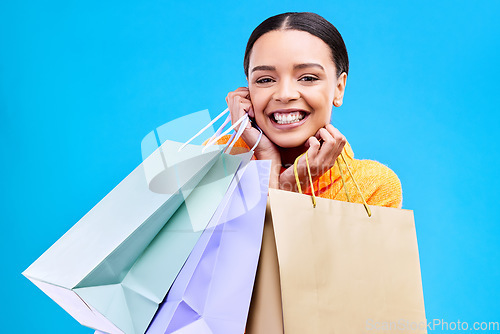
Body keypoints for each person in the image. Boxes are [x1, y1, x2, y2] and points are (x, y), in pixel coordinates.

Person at [224, 12, 402, 208]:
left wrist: (290, 189)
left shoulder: (372, 187)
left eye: (308, 78)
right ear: (248, 88)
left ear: (338, 88)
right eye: (265, 80)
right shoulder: (217, 163)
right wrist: (267, 160)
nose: (285, 94)